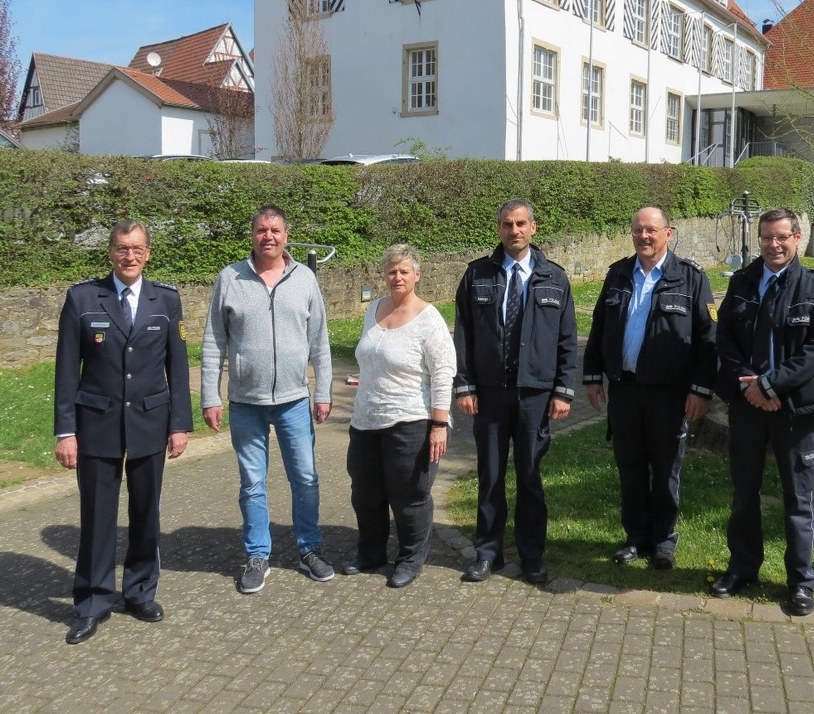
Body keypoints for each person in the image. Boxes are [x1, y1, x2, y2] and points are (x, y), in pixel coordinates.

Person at [53, 220, 192, 645]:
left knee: (146, 514)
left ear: (148, 253)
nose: (129, 256)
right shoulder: (81, 298)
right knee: (97, 517)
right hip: (96, 424)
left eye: (136, 249)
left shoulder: (165, 300)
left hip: (151, 421)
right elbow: (65, 371)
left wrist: (179, 424)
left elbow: (179, 368)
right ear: (110, 253)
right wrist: (65, 431)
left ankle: (140, 592)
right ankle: (93, 601)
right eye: (121, 248)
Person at [201, 205, 335, 593]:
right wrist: (211, 395)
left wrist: (323, 391)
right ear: (253, 235)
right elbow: (214, 342)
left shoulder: (305, 279)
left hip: (294, 400)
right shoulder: (230, 278)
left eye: (275, 230)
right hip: (246, 402)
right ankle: (258, 554)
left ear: (286, 235)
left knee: (305, 479)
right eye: (262, 230)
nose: (269, 236)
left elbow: (320, 342)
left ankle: (309, 548)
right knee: (253, 483)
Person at [710, 207, 814, 616]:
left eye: (781, 237)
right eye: (766, 237)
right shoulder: (744, 282)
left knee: (798, 498)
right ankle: (742, 568)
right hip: (748, 405)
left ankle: (801, 582)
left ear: (797, 238)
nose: (773, 245)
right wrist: (749, 383)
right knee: (744, 492)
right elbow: (724, 335)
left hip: (796, 409)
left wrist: (770, 384)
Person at [583, 206, 717, 570]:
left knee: (666, 469)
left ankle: (663, 540)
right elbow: (599, 327)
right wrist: (593, 376)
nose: (644, 236)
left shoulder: (690, 277)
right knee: (630, 467)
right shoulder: (618, 274)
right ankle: (635, 537)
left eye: (652, 230)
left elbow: (709, 339)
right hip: (625, 390)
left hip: (670, 394)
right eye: (638, 230)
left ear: (667, 233)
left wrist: (701, 390)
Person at [454, 199, 577, 584]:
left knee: (530, 476)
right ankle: (487, 553)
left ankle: (531, 557)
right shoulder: (477, 275)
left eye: (521, 223)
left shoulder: (554, 278)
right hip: (489, 393)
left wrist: (563, 390)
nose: (514, 230)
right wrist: (465, 385)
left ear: (534, 228)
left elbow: (568, 340)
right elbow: (463, 334)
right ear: (499, 229)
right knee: (490, 476)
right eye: (507, 224)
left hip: (534, 395)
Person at [345, 245, 457, 588]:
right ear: (384, 275)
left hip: (412, 420)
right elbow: (375, 357)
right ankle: (371, 553)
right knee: (366, 493)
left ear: (417, 275)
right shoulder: (374, 310)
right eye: (392, 271)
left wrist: (439, 425)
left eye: (404, 271)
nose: (397, 277)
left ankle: (410, 559)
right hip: (365, 419)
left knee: (409, 494)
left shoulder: (429, 318)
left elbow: (443, 373)